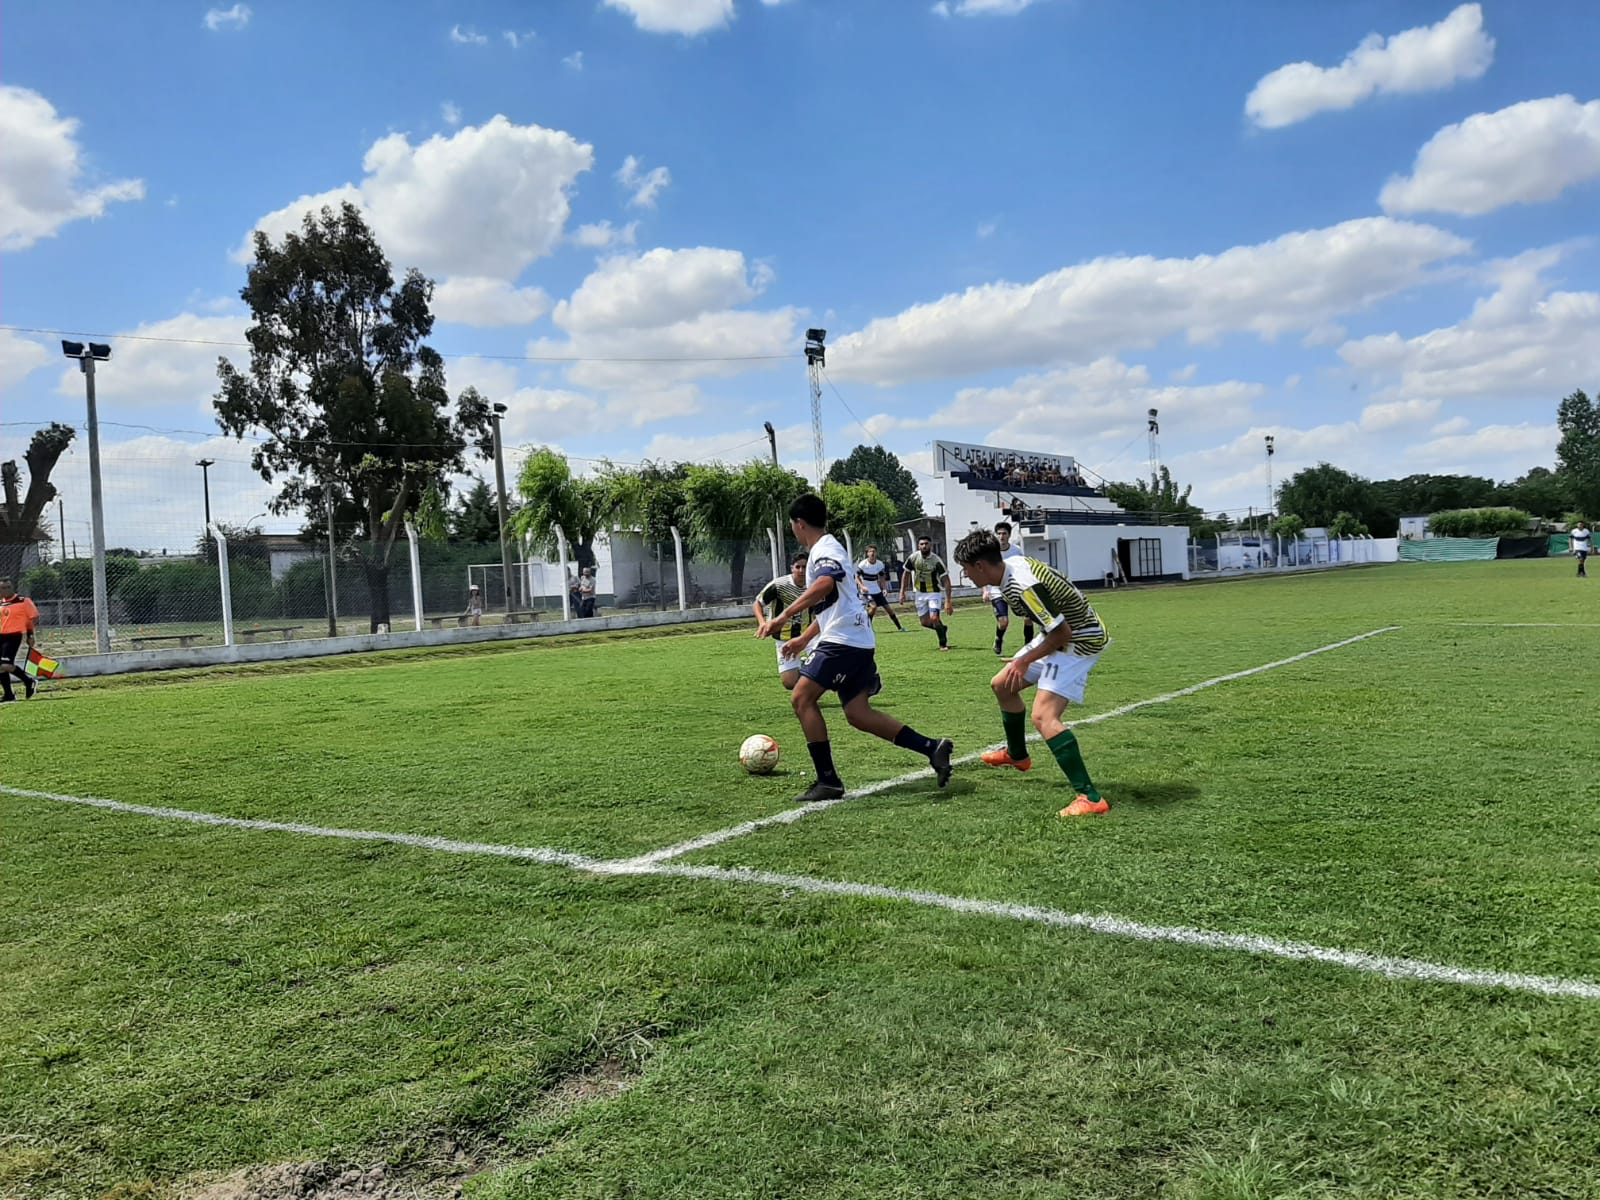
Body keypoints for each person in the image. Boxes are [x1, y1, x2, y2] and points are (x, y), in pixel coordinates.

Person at [758, 494, 953, 804]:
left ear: (799, 523)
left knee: (801, 698)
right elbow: (835, 606)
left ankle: (828, 781)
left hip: (844, 642)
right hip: (855, 639)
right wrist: (803, 640)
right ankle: (932, 748)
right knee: (858, 714)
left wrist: (782, 616)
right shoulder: (828, 548)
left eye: (792, 525)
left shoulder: (825, 549)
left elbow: (825, 585)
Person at [953, 529, 1110, 818]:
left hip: (1078, 642)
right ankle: (1017, 755)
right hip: (1059, 635)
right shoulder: (1011, 567)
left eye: (965, 569)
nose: (966, 575)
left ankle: (1090, 797)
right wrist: (1025, 658)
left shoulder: (1021, 585)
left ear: (980, 566)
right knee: (1002, 685)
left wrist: (1024, 661)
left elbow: (1063, 633)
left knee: (1043, 717)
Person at [754, 552, 811, 691]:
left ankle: (809, 691)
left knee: (824, 669)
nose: (801, 570)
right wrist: (762, 623)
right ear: (792, 568)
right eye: (798, 567)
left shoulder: (815, 584)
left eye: (805, 567)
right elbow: (758, 603)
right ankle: (803, 665)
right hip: (784, 638)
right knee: (789, 683)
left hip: (809, 636)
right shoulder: (779, 585)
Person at [898, 535, 953, 651]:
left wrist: (948, 601)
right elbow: (906, 574)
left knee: (934, 618)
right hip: (919, 593)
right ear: (918, 546)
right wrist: (902, 592)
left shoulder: (936, 561)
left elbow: (946, 580)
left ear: (930, 545)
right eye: (922, 544)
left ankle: (943, 643)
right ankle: (942, 629)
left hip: (934, 593)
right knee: (924, 623)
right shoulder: (913, 558)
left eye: (926, 544)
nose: (924, 546)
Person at [992, 521, 1035, 655]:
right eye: (999, 534)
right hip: (997, 590)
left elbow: (1024, 567)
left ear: (1009, 535)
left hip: (1015, 588)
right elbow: (985, 571)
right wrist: (985, 590)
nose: (1001, 536)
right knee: (1003, 622)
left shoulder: (1016, 550)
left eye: (1004, 533)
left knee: (1028, 618)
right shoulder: (991, 552)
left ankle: (1028, 647)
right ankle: (999, 639)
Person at [0, 576, 39, 702]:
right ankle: (9, 695)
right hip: (1, 636)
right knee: (1, 667)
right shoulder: (1, 603)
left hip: (14, 636)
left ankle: (28, 681)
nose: (6, 590)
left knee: (5, 665)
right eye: (3, 588)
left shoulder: (23, 601)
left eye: (8, 587)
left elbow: (31, 619)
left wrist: (30, 635)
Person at [855, 544, 904, 631]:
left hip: (876, 590)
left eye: (873, 551)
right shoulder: (863, 564)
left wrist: (884, 588)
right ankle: (867, 627)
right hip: (866, 591)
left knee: (889, 609)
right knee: (873, 607)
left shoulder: (880, 564)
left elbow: (882, 577)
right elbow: (857, 577)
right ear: (867, 553)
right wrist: (862, 587)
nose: (872, 553)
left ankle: (900, 628)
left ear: (876, 553)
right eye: (870, 551)